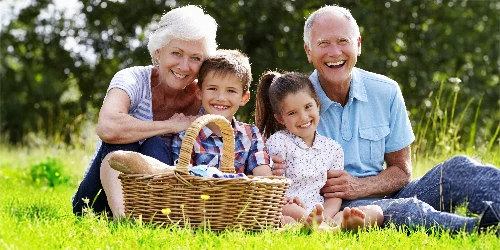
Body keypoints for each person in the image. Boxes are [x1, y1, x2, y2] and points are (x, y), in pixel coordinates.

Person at [271, 5, 500, 234]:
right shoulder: (295, 106)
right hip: (339, 210)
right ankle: (480, 229)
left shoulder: (386, 91)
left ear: (358, 45)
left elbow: (401, 171)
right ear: (308, 51)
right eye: (323, 44)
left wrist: (360, 186)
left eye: (343, 41)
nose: (334, 52)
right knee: (405, 209)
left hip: (390, 192)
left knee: (457, 169)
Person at [72, 5, 218, 219]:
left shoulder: (204, 96)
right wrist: (171, 125)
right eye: (176, 53)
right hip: (95, 202)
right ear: (158, 53)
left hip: (161, 202)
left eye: (195, 58)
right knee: (124, 142)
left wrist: (270, 161)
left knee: (155, 144)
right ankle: (123, 217)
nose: (184, 66)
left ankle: (147, 216)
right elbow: (108, 127)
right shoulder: (132, 79)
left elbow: (228, 136)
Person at [255, 71, 384, 231]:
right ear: (281, 118)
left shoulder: (332, 148)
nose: (303, 117)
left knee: (376, 212)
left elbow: (333, 196)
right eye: (292, 113)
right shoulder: (279, 142)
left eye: (308, 107)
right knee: (284, 215)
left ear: (317, 105)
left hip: (319, 210)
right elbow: (272, 189)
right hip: (291, 206)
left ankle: (326, 227)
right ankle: (322, 228)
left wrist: (325, 216)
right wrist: (288, 200)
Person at [162, 49, 272, 176]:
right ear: (199, 92)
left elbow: (263, 176)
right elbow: (184, 179)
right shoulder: (187, 135)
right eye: (213, 88)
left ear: (244, 98)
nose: (221, 97)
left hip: (241, 196)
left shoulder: (251, 134)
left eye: (230, 91)